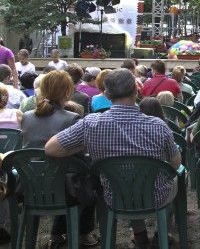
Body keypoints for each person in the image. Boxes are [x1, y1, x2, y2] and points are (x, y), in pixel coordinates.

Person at [45, 69, 181, 249]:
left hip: (115, 195)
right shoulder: (158, 125)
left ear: (107, 94)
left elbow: (50, 148)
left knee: (129, 182)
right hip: (155, 196)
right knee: (172, 179)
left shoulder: (91, 124)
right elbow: (175, 164)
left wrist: (85, 144)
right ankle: (160, 232)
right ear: (136, 91)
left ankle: (140, 234)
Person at [21, 70, 97, 246]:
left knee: (68, 175)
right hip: (63, 189)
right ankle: (82, 234)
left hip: (30, 187)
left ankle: (56, 234)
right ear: (68, 92)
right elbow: (82, 158)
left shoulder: (26, 117)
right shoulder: (72, 119)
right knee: (87, 181)